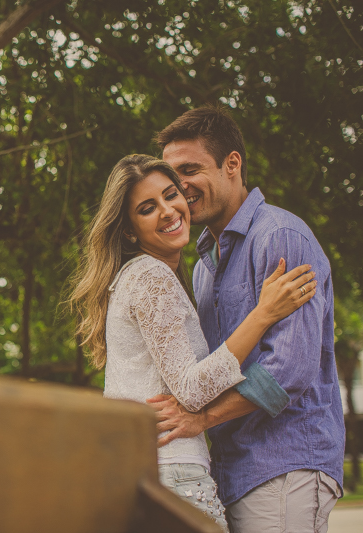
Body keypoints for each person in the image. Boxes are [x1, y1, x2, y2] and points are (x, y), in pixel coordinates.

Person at [69, 154, 316, 531]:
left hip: (148, 470)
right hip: (173, 471)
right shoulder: (151, 277)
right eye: (148, 208)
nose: (168, 211)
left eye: (171, 195)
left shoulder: (140, 277)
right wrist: (263, 314)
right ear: (130, 231)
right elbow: (191, 388)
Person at [148, 105, 345, 532]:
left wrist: (201, 419)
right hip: (227, 473)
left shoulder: (278, 237)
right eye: (170, 175)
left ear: (232, 164)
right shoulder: (202, 266)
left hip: (284, 463)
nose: (179, 187)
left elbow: (288, 369)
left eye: (190, 169)